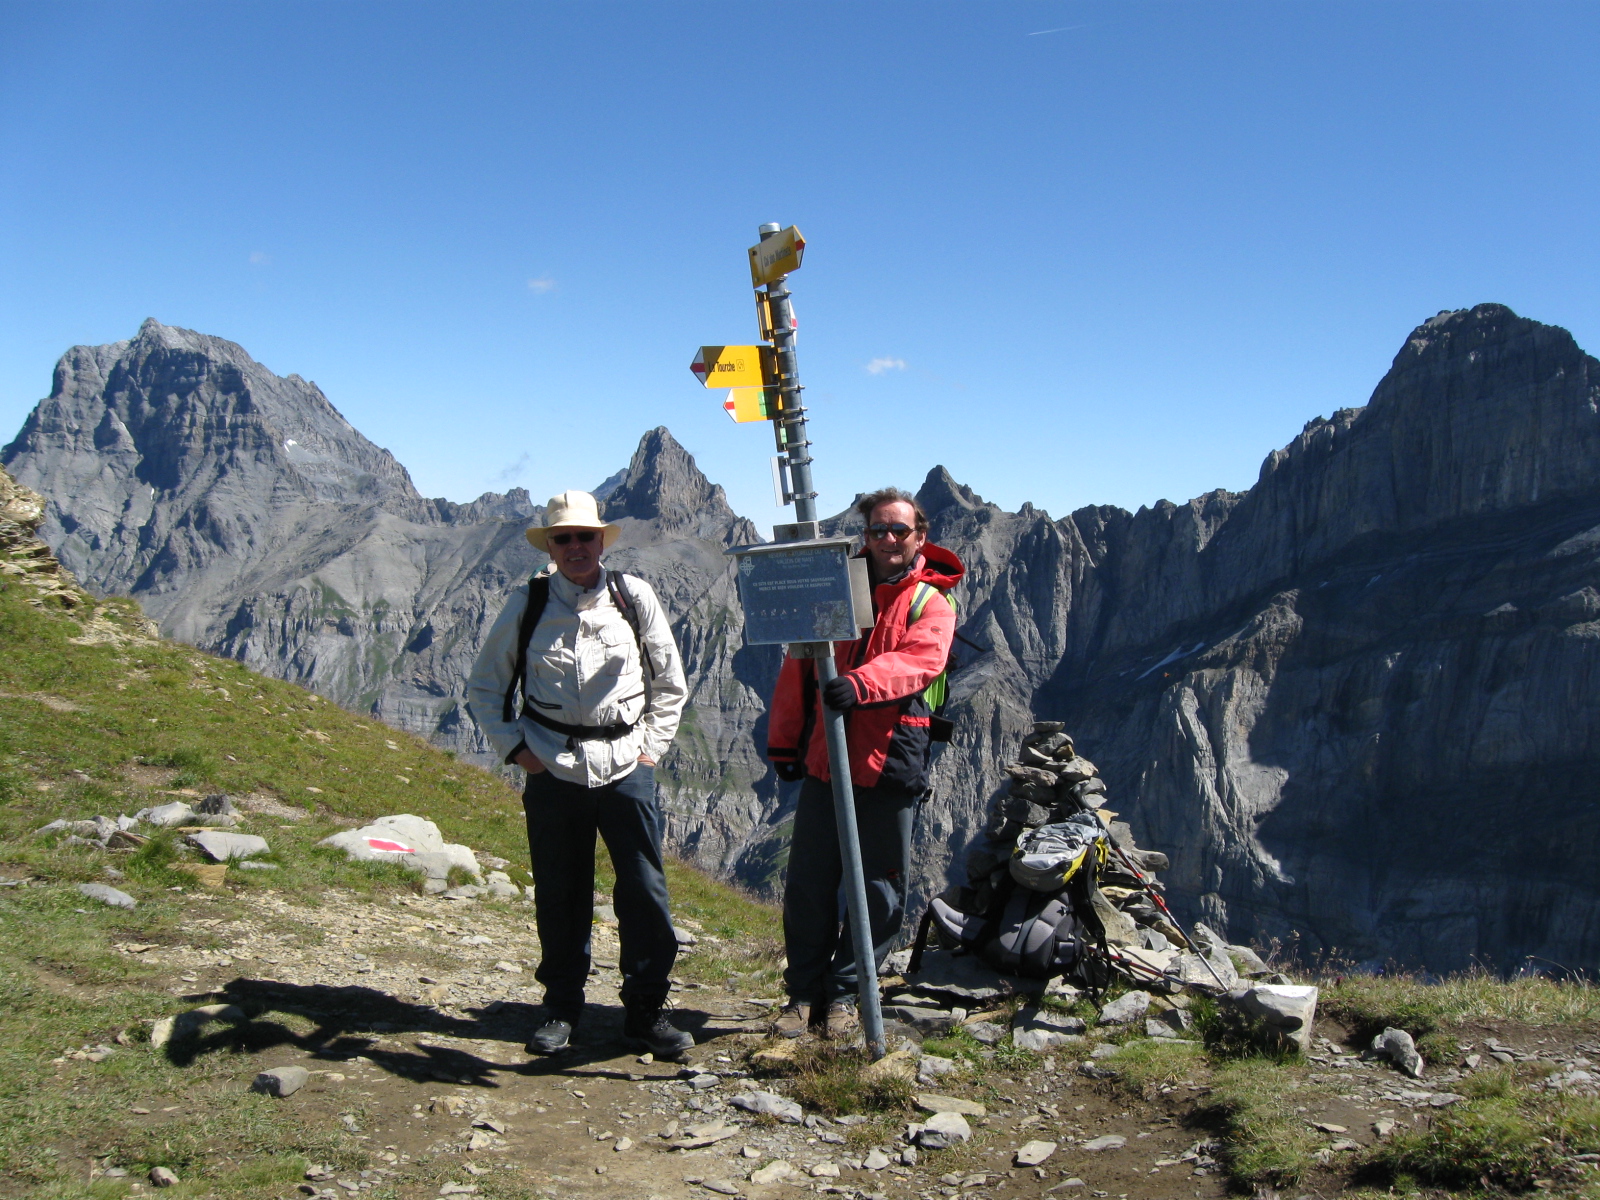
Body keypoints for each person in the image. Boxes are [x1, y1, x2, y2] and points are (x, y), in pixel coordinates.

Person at [468, 490, 692, 1057]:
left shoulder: (632, 596)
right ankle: (561, 1008)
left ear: (601, 541)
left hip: (627, 764)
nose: (575, 547)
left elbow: (669, 683)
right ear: (550, 546)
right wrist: (520, 754)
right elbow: (485, 688)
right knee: (560, 891)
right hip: (553, 767)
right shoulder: (529, 602)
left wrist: (650, 752)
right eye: (562, 538)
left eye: (584, 537)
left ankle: (646, 1010)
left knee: (644, 891)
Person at [765, 487, 963, 1038]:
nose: (889, 540)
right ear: (866, 536)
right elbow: (799, 665)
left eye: (900, 530)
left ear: (920, 536)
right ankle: (803, 994)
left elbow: (921, 659)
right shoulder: (833, 589)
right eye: (878, 530)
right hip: (827, 759)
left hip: (892, 760)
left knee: (878, 886)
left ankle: (850, 994)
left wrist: (860, 683)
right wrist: (784, 740)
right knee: (809, 881)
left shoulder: (931, 601)